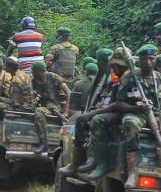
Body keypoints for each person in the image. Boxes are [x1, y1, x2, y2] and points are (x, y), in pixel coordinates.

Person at [116, 45, 161, 192]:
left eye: (151, 59)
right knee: (130, 124)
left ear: (155, 61)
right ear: (140, 60)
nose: (148, 62)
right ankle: (133, 172)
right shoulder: (129, 76)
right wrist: (135, 108)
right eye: (145, 59)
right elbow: (119, 103)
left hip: (156, 116)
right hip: (136, 114)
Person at [57, 48, 115, 176]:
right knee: (83, 120)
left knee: (80, 121)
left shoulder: (109, 77)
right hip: (101, 109)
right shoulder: (102, 77)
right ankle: (80, 162)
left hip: (106, 111)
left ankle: (80, 161)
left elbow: (112, 99)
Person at [78, 47, 133, 181]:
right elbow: (112, 99)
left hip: (128, 111)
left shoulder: (129, 76)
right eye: (113, 64)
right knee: (84, 119)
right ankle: (88, 159)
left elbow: (118, 104)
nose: (115, 67)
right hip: (119, 109)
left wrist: (95, 112)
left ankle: (102, 163)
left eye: (118, 65)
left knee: (97, 120)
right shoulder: (114, 76)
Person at [31, 61, 71, 154]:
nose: (32, 73)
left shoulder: (53, 77)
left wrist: (66, 112)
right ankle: (43, 142)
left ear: (38, 71)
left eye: (33, 71)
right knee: (39, 112)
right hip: (47, 106)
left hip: (60, 106)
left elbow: (69, 93)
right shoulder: (35, 80)